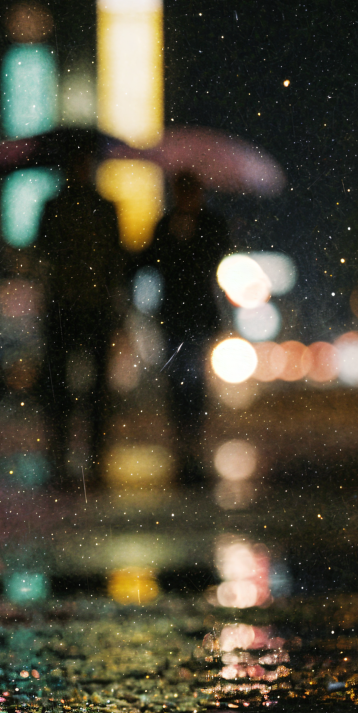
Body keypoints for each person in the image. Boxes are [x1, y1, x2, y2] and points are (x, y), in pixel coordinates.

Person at [35, 138, 127, 489]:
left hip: (78, 306)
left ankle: (76, 457)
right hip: (78, 306)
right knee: (76, 390)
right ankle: (77, 458)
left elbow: (42, 252)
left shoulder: (64, 206)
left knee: (77, 390)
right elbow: (116, 261)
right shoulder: (96, 207)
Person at [135, 171, 231, 487]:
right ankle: (184, 448)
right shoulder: (166, 225)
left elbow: (217, 255)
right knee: (179, 384)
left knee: (194, 384)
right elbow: (149, 260)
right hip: (175, 317)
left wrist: (186, 239)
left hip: (197, 316)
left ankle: (193, 448)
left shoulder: (210, 224)